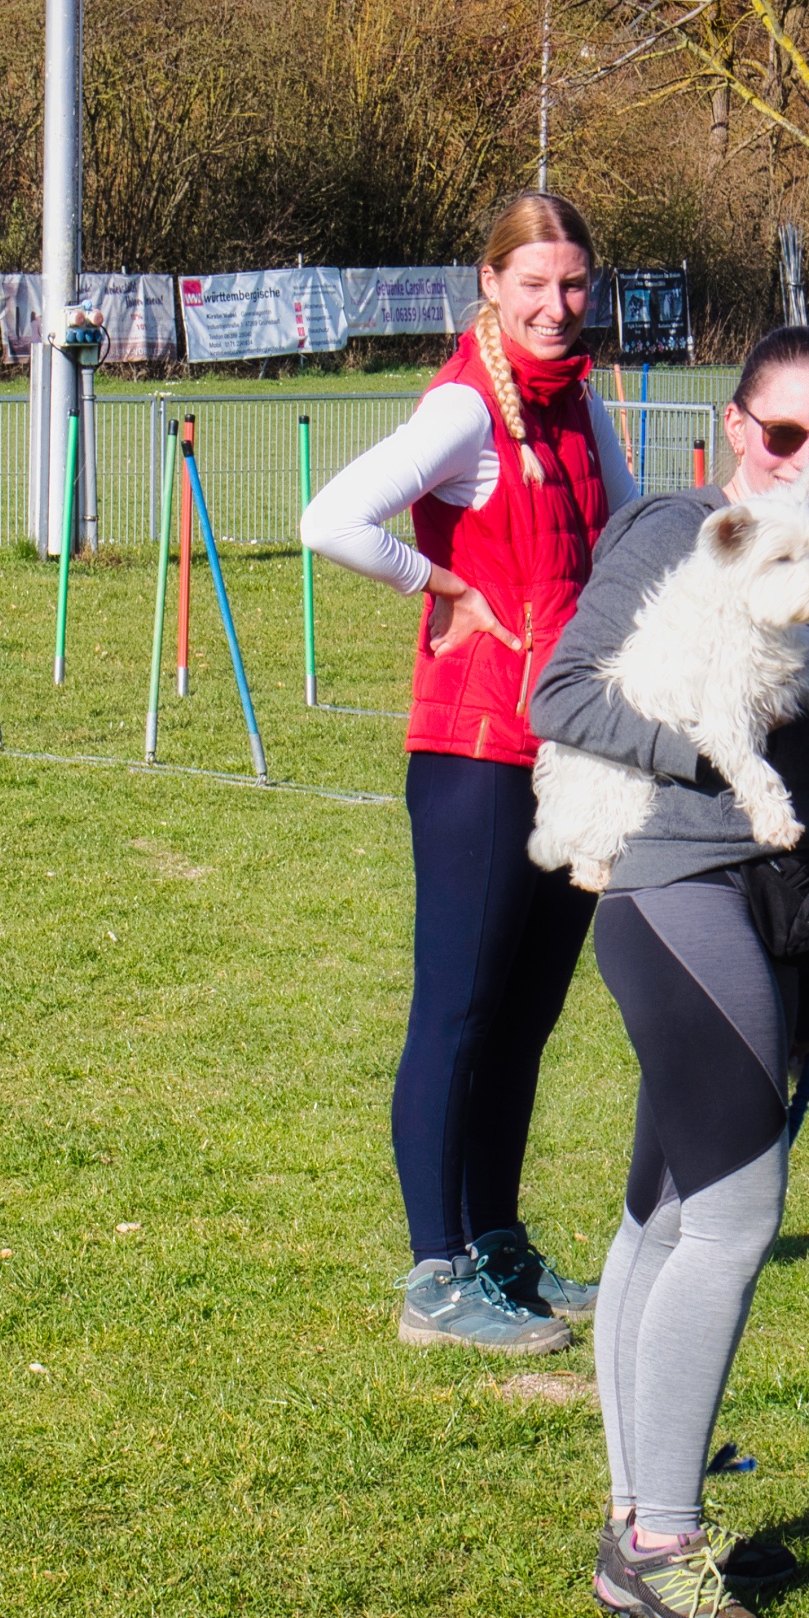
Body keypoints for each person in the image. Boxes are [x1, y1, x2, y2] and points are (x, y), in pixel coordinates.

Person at [531, 325, 809, 1618]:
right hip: (671, 886)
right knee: (735, 1216)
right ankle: (660, 1546)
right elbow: (560, 693)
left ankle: (639, 1523)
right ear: (738, 428)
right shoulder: (677, 532)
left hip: (778, 912)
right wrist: (712, 758)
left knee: (667, 1215)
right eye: (785, 431)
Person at [301, 193, 637, 1356]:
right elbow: (329, 518)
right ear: (490, 284)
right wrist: (434, 583)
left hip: (573, 755)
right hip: (476, 756)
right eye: (534, 283)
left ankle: (497, 1244)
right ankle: (434, 1276)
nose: (557, 305)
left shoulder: (580, 399)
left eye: (575, 283)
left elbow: (627, 531)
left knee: (528, 1018)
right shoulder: (465, 407)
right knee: (459, 1013)